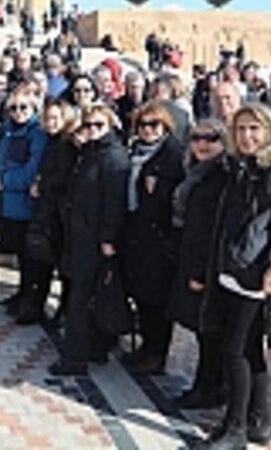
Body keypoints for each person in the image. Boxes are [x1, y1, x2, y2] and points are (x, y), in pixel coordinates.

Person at [201, 103, 271, 448]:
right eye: (241, 129)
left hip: (258, 273)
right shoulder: (239, 166)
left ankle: (236, 429)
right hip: (234, 268)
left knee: (234, 351)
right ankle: (257, 421)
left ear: (268, 131)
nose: (247, 136)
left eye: (254, 129)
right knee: (248, 350)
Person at [51, 103, 129, 376]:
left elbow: (114, 202)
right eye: (88, 125)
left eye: (99, 125)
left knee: (83, 298)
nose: (92, 130)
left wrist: (108, 237)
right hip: (80, 234)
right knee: (84, 294)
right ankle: (94, 348)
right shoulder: (89, 153)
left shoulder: (114, 157)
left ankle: (75, 357)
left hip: (96, 239)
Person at [120, 102, 186, 375]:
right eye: (143, 125)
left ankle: (157, 352)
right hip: (136, 232)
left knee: (158, 299)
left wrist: (159, 189)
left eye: (154, 125)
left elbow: (180, 196)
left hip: (159, 237)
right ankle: (146, 346)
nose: (148, 131)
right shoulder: (135, 152)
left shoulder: (173, 154)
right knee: (142, 296)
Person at [167, 119, 228, 410]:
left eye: (211, 138)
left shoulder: (219, 176)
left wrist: (199, 271)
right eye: (197, 138)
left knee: (209, 330)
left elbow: (211, 229)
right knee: (203, 330)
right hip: (189, 255)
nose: (203, 144)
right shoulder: (195, 172)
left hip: (205, 265)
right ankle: (209, 383)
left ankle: (209, 386)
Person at [16, 101, 78, 324]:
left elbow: (66, 177)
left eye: (55, 118)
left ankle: (63, 308)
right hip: (47, 209)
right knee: (41, 259)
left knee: (60, 263)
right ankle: (36, 305)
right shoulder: (51, 142)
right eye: (47, 118)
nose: (50, 123)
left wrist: (43, 183)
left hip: (60, 212)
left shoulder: (66, 144)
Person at [0, 92, 49, 313]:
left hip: (27, 204)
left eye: (24, 107)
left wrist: (6, 181)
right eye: (14, 108)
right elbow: (0, 160)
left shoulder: (37, 134)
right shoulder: (7, 131)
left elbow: (32, 169)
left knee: (32, 258)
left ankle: (33, 301)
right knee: (19, 254)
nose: (18, 113)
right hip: (10, 204)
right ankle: (22, 293)